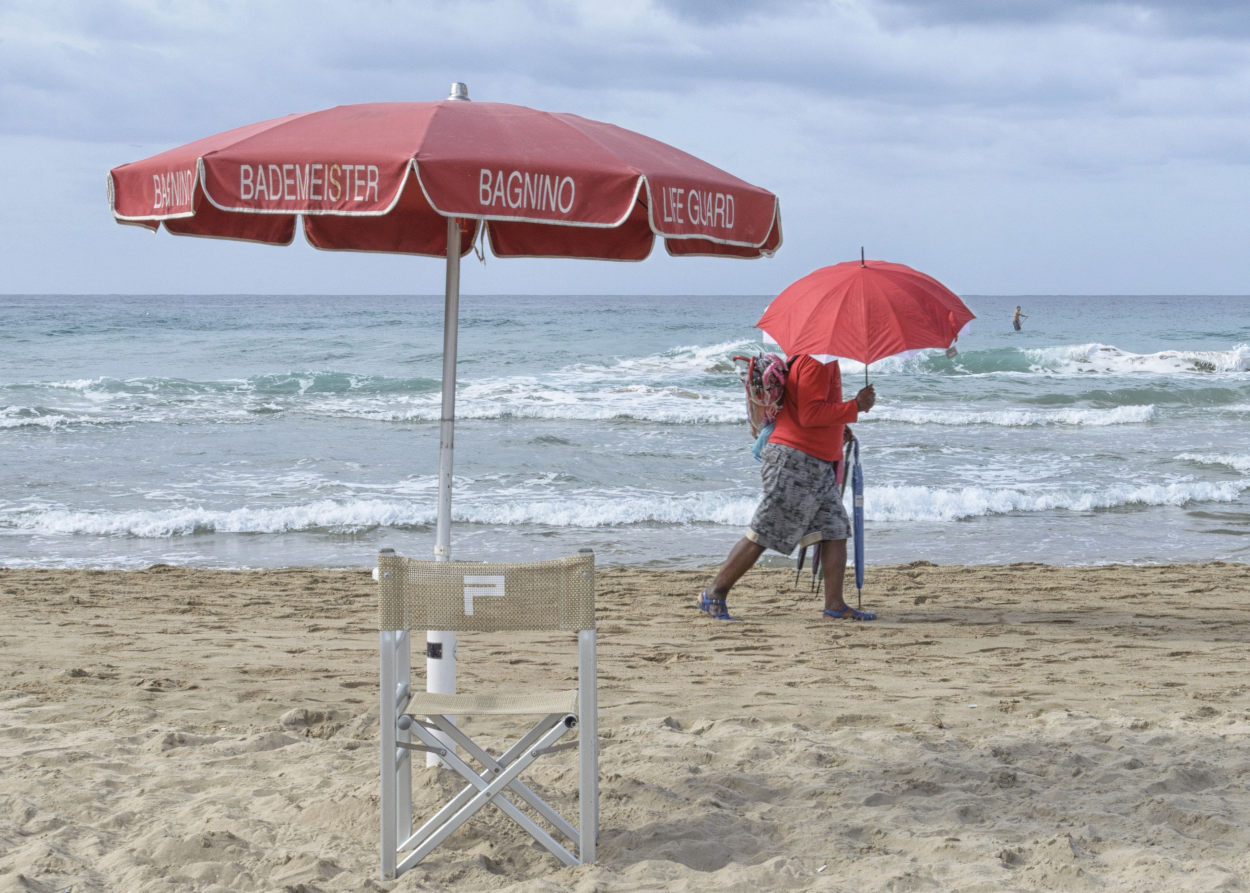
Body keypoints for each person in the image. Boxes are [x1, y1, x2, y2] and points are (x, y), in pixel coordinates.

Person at [699, 354, 877, 622]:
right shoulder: (816, 362)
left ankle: (835, 605)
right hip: (794, 461)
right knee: (766, 530)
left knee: (835, 529)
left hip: (815, 462)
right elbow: (809, 414)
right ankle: (714, 592)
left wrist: (839, 425)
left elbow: (810, 408)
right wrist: (855, 406)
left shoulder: (822, 361)